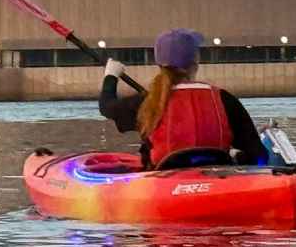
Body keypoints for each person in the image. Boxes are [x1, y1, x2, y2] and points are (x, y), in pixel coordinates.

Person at [99, 29, 267, 169]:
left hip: (161, 182)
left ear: (159, 65)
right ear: (196, 63)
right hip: (217, 179)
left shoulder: (147, 102)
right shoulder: (224, 99)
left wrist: (111, 75)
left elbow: (106, 107)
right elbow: (258, 155)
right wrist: (238, 156)